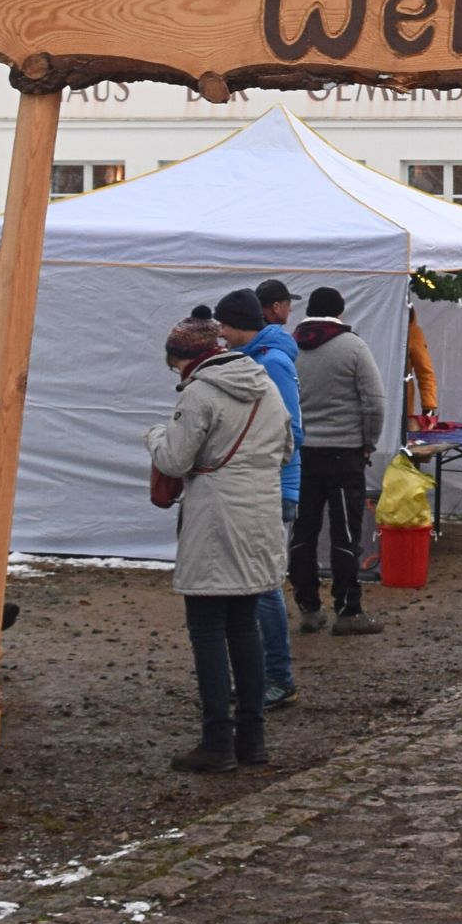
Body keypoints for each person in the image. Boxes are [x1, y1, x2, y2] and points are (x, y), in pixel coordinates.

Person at [153, 304, 289, 772]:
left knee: (208, 630)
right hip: (261, 514)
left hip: (215, 517)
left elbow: (173, 460)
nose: (174, 371)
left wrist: (154, 435)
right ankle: (252, 739)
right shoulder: (266, 384)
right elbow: (288, 446)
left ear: (186, 358)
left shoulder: (199, 394)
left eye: (173, 363)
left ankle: (216, 742)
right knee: (244, 627)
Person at [289, 287, 386, 635]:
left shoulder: (290, 346)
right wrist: (367, 443)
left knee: (303, 532)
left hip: (302, 455)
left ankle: (308, 608)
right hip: (345, 454)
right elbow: (374, 402)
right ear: (340, 312)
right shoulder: (353, 347)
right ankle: (348, 610)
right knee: (345, 533)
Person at [242, 280, 303, 706]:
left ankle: (278, 678)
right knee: (255, 584)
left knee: (264, 585)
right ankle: (262, 677)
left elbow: (290, 431)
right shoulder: (261, 358)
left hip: (274, 484)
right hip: (267, 483)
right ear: (276, 308)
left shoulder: (273, 361)